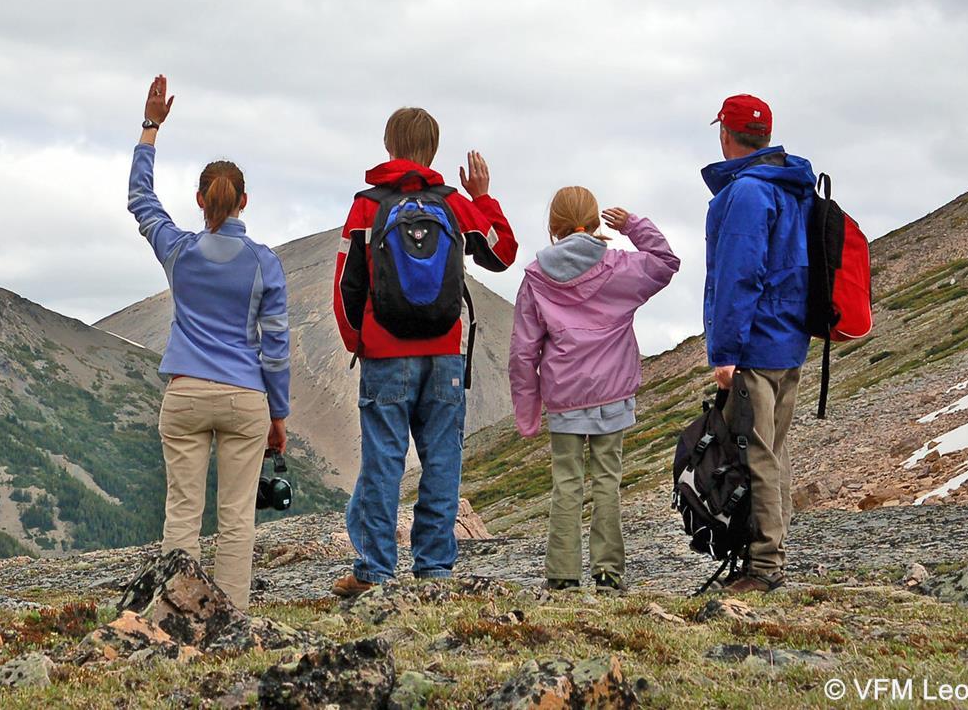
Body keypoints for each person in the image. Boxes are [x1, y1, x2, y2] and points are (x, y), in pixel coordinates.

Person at [330, 107, 518, 597]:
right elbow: (502, 253)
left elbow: (346, 286)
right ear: (433, 150)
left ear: (389, 146)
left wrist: (362, 343)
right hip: (444, 356)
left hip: (386, 355)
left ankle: (374, 570)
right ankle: (434, 568)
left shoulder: (367, 206)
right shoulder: (453, 204)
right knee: (441, 462)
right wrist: (483, 196)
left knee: (382, 463)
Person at [127, 75, 289, 612]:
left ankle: (178, 616)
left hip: (186, 393)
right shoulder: (265, 262)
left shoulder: (179, 251)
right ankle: (234, 621)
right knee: (238, 517)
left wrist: (151, 127)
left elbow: (140, 199)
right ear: (245, 201)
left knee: (182, 512)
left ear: (200, 200)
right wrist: (278, 414)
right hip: (246, 399)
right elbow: (276, 346)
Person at [508, 187, 680, 592]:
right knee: (607, 480)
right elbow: (666, 262)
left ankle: (563, 575)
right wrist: (634, 225)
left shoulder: (536, 276)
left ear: (553, 227)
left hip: (565, 395)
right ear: (597, 222)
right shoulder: (620, 267)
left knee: (566, 482)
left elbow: (522, 352)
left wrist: (527, 408)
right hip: (614, 393)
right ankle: (608, 572)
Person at [703, 93, 816, 593]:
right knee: (774, 452)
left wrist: (725, 352)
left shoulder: (748, 193)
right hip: (788, 342)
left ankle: (764, 567)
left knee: (756, 455)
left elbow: (738, 276)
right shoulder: (793, 187)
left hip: (757, 347)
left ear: (726, 135)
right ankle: (770, 556)